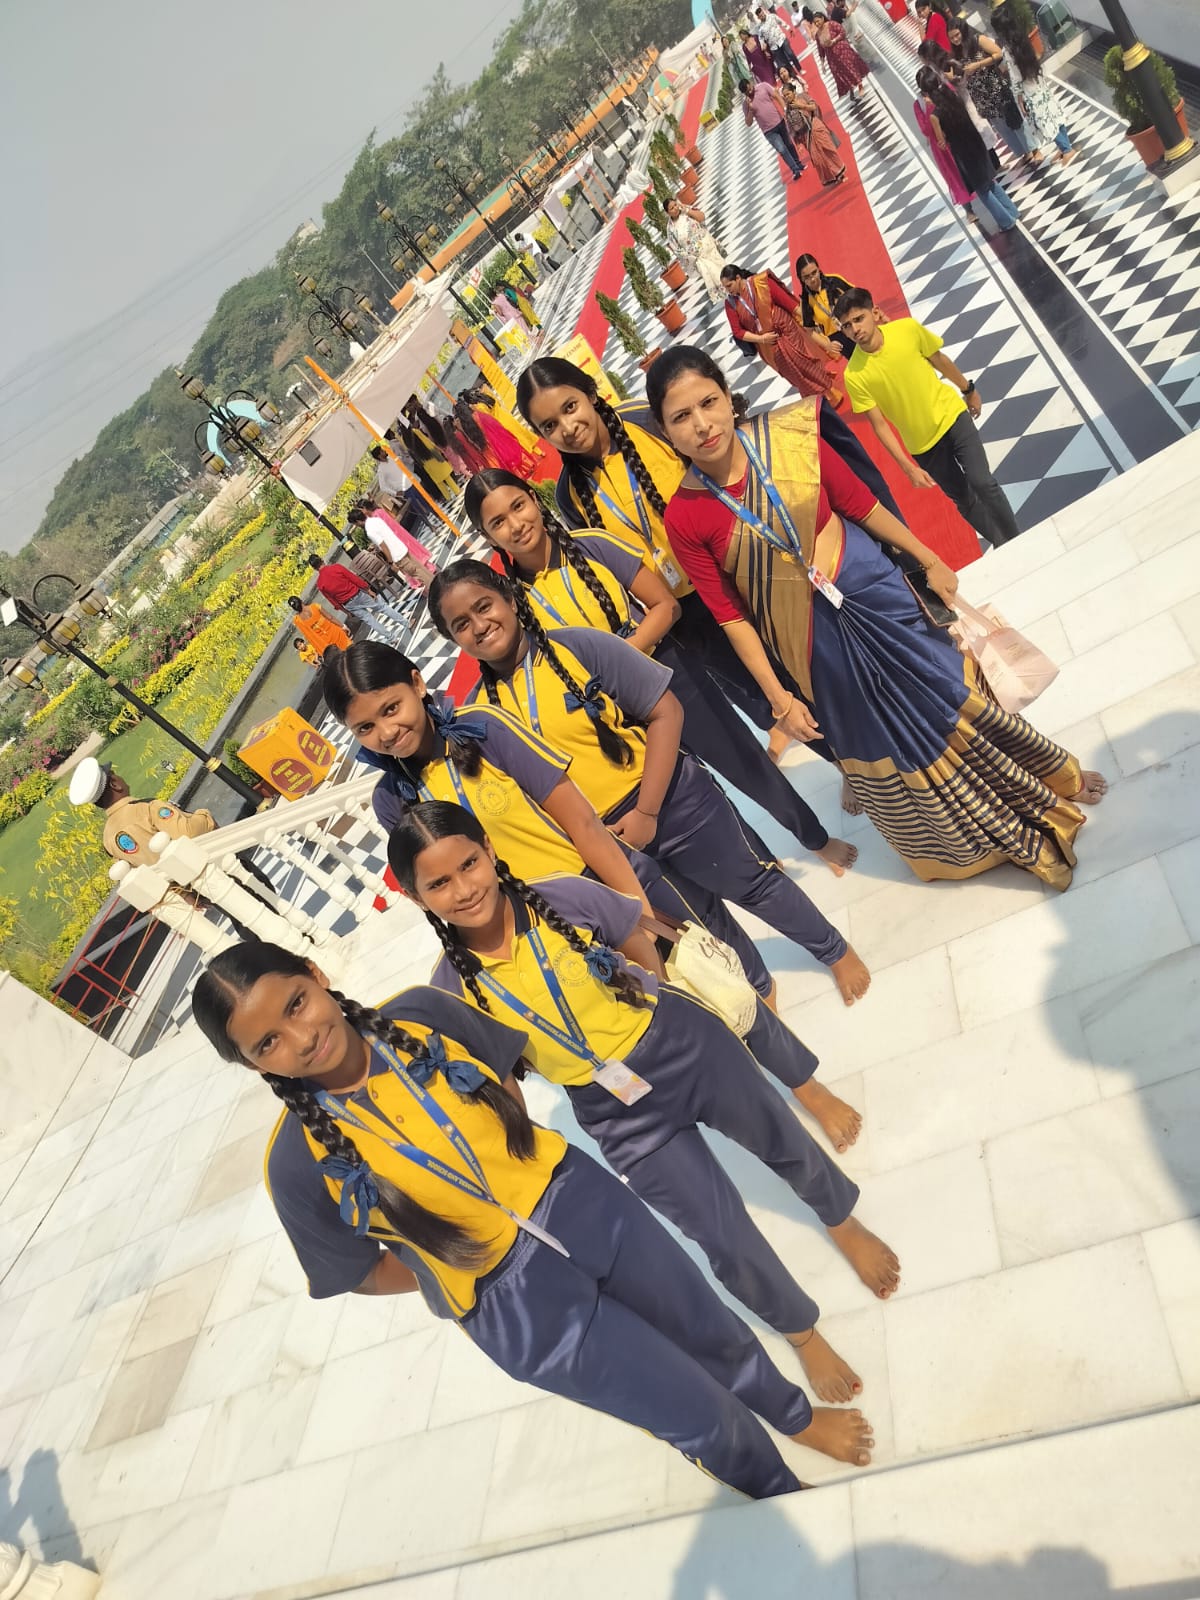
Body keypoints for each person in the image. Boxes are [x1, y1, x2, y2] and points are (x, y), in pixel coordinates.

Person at [193, 942, 876, 1493]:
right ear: (253, 1066)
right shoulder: (293, 1162)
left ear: (315, 974)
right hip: (513, 1306)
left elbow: (500, 1074)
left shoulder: (420, 1012)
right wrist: (445, 1267)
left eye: (296, 1003)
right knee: (686, 1409)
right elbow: (357, 1272)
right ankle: (776, 1486)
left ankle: (793, 1415)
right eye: (267, 1044)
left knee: (705, 1322)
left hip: (579, 1200)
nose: (301, 1037)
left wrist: (519, 1167)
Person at [395, 804, 895, 1365]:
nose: (464, 889)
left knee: (783, 1140)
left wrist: (657, 1009)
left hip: (684, 1046)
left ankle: (841, 1221)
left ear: (489, 849)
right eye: (439, 883)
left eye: (469, 863)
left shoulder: (559, 896)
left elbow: (633, 934)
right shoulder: (449, 991)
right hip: (614, 1112)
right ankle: (801, 1332)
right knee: (718, 1233)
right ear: (417, 897)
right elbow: (497, 1078)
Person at [646, 345, 1107, 889]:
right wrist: (779, 699)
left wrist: (928, 559)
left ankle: (1044, 779)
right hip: (812, 644)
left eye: (708, 402)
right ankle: (965, 843)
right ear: (665, 430)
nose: (702, 425)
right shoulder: (684, 517)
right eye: (682, 416)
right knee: (887, 737)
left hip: (873, 592)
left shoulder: (791, 438)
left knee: (949, 691)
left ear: (727, 396)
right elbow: (731, 617)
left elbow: (861, 505)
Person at [428, 559, 874, 1004]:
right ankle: (759, 984)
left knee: (753, 883)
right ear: (453, 640)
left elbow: (668, 712)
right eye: (461, 624)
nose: (479, 626)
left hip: (674, 802)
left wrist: (646, 811)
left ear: (510, 599)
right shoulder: (479, 715)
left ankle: (833, 950)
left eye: (484, 607)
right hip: (612, 844)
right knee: (701, 920)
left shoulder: (579, 647)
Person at [515, 354, 906, 779]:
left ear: (591, 394)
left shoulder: (649, 423)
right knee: (766, 698)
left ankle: (883, 749)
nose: (567, 427)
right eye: (549, 425)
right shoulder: (570, 495)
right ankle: (852, 769)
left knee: (813, 667)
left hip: (744, 570)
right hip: (688, 616)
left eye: (570, 407)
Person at [320, 640, 782, 996]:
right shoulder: (391, 800)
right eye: (365, 728)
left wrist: (634, 908)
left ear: (417, 684)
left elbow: (581, 821)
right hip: (547, 928)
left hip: (604, 885)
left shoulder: (484, 729)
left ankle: (769, 1008)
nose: (386, 732)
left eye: (391, 708)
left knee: (717, 970)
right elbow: (435, 890)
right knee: (651, 1007)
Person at [465, 467, 858, 875]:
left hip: (666, 675)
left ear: (534, 499)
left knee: (745, 763)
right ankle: (759, 862)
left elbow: (666, 606)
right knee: (688, 789)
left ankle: (816, 838)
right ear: (487, 537)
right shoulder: (509, 600)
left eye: (518, 506)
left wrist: (621, 659)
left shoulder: (591, 546)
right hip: (608, 714)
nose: (516, 525)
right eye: (498, 522)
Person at [837, 285, 1022, 546]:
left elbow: (939, 359)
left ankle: (1018, 540)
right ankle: (1004, 544)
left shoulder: (907, 329)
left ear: (874, 313)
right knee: (965, 501)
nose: (855, 329)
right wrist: (908, 467)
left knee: (983, 483)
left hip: (952, 416)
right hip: (924, 446)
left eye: (859, 319)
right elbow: (879, 426)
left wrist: (968, 390)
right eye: (847, 325)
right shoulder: (854, 375)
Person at [70, 756, 277, 923]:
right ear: (115, 784)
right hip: (216, 868)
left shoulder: (108, 838)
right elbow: (188, 833)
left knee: (243, 920)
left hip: (193, 887)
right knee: (265, 903)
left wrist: (185, 895)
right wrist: (203, 815)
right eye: (116, 774)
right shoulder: (147, 809)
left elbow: (143, 873)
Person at [722, 264, 845, 406]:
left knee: (804, 362)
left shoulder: (762, 283)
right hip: (768, 346)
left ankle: (830, 394)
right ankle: (815, 401)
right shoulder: (730, 303)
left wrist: (816, 320)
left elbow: (788, 303)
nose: (728, 290)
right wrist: (761, 339)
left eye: (729, 285)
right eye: (725, 288)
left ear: (738, 278)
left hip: (787, 332)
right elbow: (737, 331)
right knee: (793, 374)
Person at [948, 17, 1040, 162]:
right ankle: (1023, 152)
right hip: (980, 94)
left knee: (1013, 118)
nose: (955, 39)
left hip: (995, 86)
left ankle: (1032, 148)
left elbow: (998, 53)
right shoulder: (957, 52)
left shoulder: (978, 40)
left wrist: (978, 64)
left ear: (963, 30)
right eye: (952, 37)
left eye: (957, 35)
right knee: (1001, 126)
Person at [993, 5, 1076, 164]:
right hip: (1037, 80)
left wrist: (1019, 96)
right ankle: (1064, 146)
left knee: (1043, 120)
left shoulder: (1008, 49)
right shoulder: (1021, 38)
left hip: (1027, 90)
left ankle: (1067, 149)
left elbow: (1015, 76)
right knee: (1052, 113)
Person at [914, 78, 979, 223]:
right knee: (954, 174)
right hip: (941, 146)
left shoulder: (945, 90)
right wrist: (930, 111)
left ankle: (989, 193)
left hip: (957, 135)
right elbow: (925, 129)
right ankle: (968, 209)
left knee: (972, 165)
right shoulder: (919, 105)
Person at [306, 553, 413, 640]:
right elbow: (354, 578)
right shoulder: (336, 568)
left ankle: (391, 638)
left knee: (370, 620)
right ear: (322, 559)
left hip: (348, 604)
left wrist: (346, 611)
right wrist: (368, 589)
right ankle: (406, 623)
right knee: (382, 608)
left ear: (314, 568)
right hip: (358, 594)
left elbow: (333, 601)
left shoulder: (320, 584)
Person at [346, 501, 436, 590]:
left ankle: (436, 588)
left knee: (418, 573)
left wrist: (390, 561)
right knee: (420, 568)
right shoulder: (376, 520)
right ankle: (436, 582)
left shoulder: (370, 531)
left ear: (358, 521)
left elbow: (383, 545)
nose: (356, 526)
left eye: (355, 524)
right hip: (402, 548)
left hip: (397, 555)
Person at [781, 82, 847, 186]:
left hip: (815, 127)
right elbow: (791, 128)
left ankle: (840, 173)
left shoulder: (803, 97)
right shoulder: (788, 111)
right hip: (805, 136)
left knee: (828, 150)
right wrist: (798, 144)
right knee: (818, 158)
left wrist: (801, 106)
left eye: (788, 94)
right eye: (784, 96)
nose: (786, 97)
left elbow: (814, 107)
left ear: (793, 91)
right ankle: (831, 177)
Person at [740, 78, 806, 181]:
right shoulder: (746, 105)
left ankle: (798, 164)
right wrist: (751, 110)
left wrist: (785, 109)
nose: (750, 92)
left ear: (750, 83)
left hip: (779, 121)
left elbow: (776, 96)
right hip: (768, 131)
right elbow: (748, 123)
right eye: (747, 92)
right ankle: (795, 170)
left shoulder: (763, 86)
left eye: (750, 88)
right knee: (782, 149)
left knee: (789, 144)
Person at [665, 197, 727, 303]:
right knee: (714, 275)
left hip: (708, 247)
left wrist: (687, 211)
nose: (675, 208)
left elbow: (702, 217)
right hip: (697, 258)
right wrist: (690, 257)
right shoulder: (670, 229)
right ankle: (728, 295)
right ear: (667, 213)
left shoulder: (687, 210)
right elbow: (676, 248)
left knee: (723, 269)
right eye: (671, 208)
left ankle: (734, 290)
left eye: (675, 205)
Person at [794, 255, 857, 356]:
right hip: (838, 339)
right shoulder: (806, 301)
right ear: (801, 278)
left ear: (818, 269)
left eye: (814, 272)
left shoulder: (834, 280)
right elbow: (809, 330)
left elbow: (858, 296)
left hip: (855, 324)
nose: (812, 279)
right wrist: (827, 345)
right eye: (807, 277)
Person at [805, 8, 870, 98]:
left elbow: (842, 32)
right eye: (815, 22)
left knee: (850, 68)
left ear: (822, 18)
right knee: (839, 74)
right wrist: (822, 64)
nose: (817, 24)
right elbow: (821, 50)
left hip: (842, 51)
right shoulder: (817, 35)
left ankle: (860, 86)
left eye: (818, 21)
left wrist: (834, 40)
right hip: (832, 58)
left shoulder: (831, 24)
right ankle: (850, 88)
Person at [287, 595, 351, 656]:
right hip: (336, 633)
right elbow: (330, 618)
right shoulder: (315, 606)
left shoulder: (298, 620)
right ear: (301, 600)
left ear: (294, 609)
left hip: (325, 642)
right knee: (351, 651)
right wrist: (343, 626)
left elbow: (309, 636)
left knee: (340, 658)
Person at [755, 3, 804, 75]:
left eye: (762, 13)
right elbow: (761, 39)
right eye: (760, 16)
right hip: (773, 46)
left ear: (763, 11)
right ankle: (793, 74)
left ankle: (800, 69)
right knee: (784, 62)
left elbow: (781, 22)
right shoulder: (760, 28)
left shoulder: (772, 16)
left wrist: (788, 28)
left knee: (790, 54)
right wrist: (764, 49)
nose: (762, 16)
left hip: (782, 39)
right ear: (758, 18)